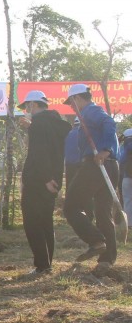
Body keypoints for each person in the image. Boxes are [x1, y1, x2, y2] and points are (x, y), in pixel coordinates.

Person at [62, 83, 120, 267]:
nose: (71, 107)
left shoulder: (90, 111)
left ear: (78, 98)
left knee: (71, 206)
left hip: (97, 165)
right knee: (103, 214)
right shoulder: (90, 113)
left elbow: (109, 123)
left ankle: (96, 241)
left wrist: (105, 150)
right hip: (110, 166)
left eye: (71, 103)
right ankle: (107, 259)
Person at [17, 90, 70, 275]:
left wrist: (46, 179)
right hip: (53, 179)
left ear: (34, 105)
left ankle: (42, 265)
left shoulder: (39, 124)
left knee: (33, 223)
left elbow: (40, 154)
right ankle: (46, 264)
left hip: (40, 180)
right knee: (46, 223)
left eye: (27, 106)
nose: (25, 110)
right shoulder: (56, 123)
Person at [120, 129, 132, 220]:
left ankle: (129, 223)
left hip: (127, 176)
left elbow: (121, 160)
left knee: (127, 200)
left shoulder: (124, 147)